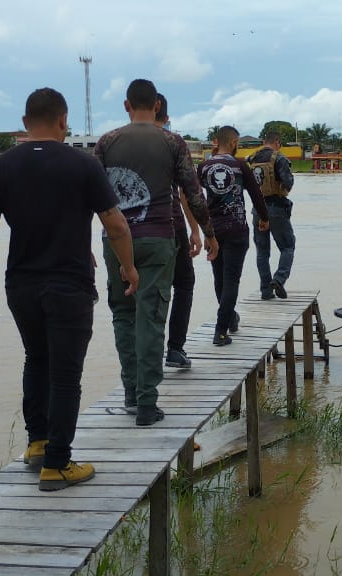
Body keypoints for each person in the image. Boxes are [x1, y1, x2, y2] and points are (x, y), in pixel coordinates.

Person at [0, 87, 137, 491]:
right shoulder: (83, 165)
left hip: (20, 285)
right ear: (64, 122)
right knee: (65, 374)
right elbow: (115, 224)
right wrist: (129, 268)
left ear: (25, 123)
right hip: (69, 285)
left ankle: (38, 444)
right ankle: (58, 464)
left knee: (36, 360)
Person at [94, 79, 218, 427]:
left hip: (116, 241)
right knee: (151, 317)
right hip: (159, 240)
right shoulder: (172, 142)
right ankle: (148, 404)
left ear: (126, 105)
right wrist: (208, 233)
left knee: (123, 313)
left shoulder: (107, 142)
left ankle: (131, 393)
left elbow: (88, 195)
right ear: (158, 107)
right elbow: (193, 195)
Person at [200, 126, 270, 345]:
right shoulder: (240, 166)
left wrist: (202, 228)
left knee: (219, 278)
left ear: (215, 142)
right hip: (237, 229)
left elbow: (194, 197)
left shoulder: (203, 167)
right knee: (231, 280)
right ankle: (220, 332)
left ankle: (230, 319)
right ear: (233, 143)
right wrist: (264, 218)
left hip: (213, 231)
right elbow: (256, 195)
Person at [154, 94, 201, 370]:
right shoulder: (173, 144)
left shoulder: (116, 143)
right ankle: (174, 348)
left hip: (128, 230)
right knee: (183, 283)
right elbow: (187, 192)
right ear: (166, 117)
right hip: (170, 225)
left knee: (143, 292)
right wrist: (198, 231)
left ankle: (144, 358)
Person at [248, 130, 295, 300]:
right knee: (288, 246)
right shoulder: (279, 158)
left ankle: (265, 291)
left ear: (263, 141)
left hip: (257, 210)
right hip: (277, 209)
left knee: (262, 251)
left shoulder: (251, 159)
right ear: (277, 142)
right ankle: (279, 279)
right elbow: (288, 183)